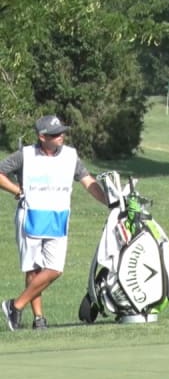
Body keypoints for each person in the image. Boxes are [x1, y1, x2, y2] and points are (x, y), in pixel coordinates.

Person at [0, 114, 107, 330]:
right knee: (33, 269)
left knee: (55, 269)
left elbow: (88, 182)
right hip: (31, 216)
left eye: (62, 133)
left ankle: (15, 305)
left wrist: (108, 201)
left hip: (58, 218)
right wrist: (17, 191)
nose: (61, 137)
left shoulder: (70, 156)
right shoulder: (25, 155)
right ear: (42, 137)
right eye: (55, 134)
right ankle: (39, 319)